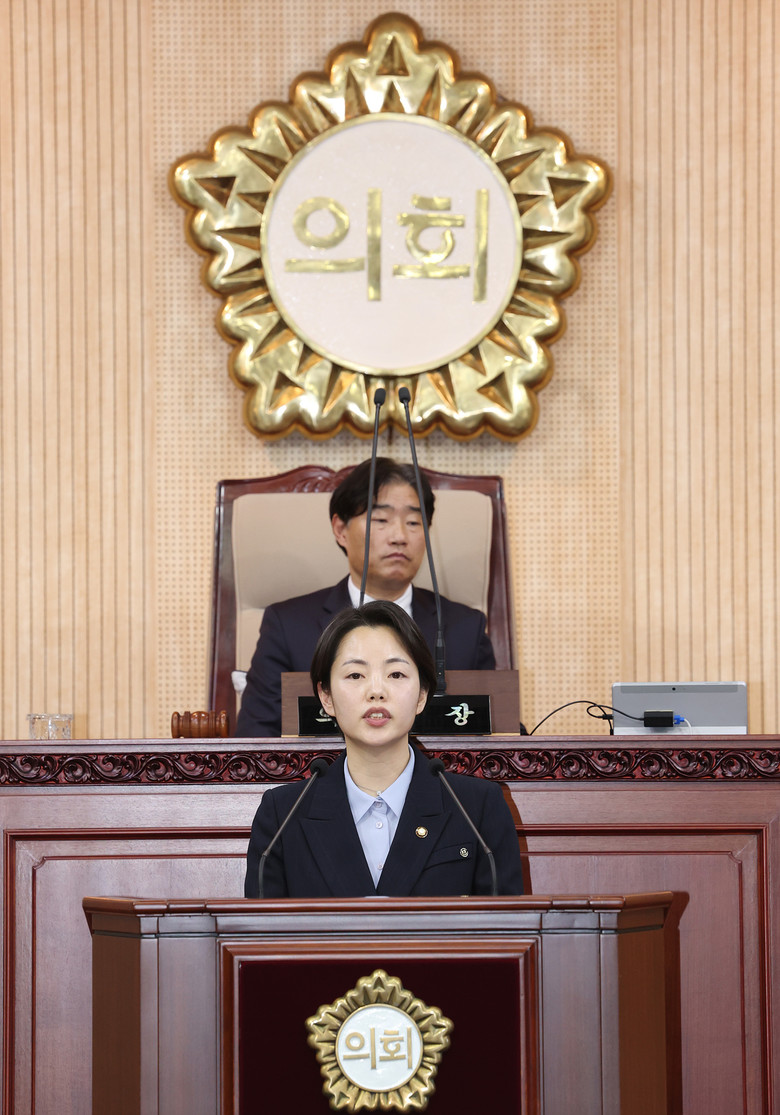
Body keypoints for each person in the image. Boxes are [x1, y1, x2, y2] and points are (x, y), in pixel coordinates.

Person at [244, 601, 523, 898]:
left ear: (422, 695)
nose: (376, 691)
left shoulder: (477, 808)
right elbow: (260, 928)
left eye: (396, 674)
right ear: (326, 697)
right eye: (355, 675)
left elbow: (508, 925)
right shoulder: (283, 815)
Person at [234, 457, 496, 738]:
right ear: (341, 530)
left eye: (413, 522)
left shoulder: (465, 628)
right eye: (381, 520)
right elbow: (256, 740)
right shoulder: (288, 626)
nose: (399, 536)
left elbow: (501, 731)